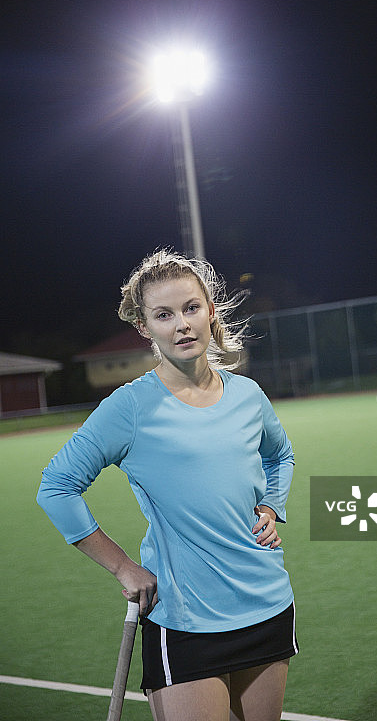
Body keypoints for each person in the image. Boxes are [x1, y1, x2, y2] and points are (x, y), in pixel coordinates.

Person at [37, 249, 298, 721]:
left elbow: (280, 455)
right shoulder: (130, 407)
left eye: (191, 308)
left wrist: (272, 507)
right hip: (185, 619)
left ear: (210, 310)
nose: (182, 324)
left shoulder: (248, 395)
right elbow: (56, 487)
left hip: (266, 603)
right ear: (145, 327)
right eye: (164, 315)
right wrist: (122, 568)